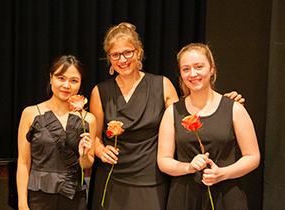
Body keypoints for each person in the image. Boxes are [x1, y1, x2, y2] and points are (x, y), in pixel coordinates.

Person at [88, 23, 244, 210]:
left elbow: (186, 113)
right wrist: (100, 149)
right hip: (112, 179)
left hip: (152, 179)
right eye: (115, 55)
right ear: (109, 59)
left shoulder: (161, 85)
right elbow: (94, 136)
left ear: (138, 53)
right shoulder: (100, 91)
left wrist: (223, 105)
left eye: (128, 52)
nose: (122, 59)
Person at [157, 43, 260, 210]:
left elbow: (253, 157)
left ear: (211, 69)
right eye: (186, 69)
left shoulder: (234, 108)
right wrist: (188, 167)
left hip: (226, 196)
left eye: (199, 67)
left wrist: (222, 174)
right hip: (185, 197)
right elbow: (163, 161)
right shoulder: (172, 112)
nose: (193, 74)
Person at [16, 55, 96, 210]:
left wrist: (83, 155)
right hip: (39, 196)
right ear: (51, 78)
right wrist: (22, 203)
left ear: (80, 84)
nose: (66, 85)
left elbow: (87, 165)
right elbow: (23, 162)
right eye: (61, 78)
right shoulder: (31, 113)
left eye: (74, 80)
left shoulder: (88, 119)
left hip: (74, 196)